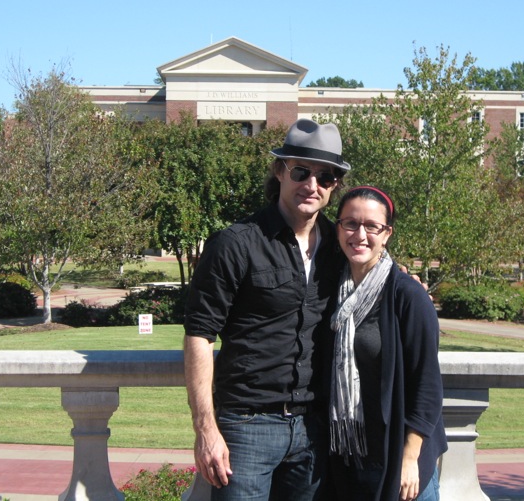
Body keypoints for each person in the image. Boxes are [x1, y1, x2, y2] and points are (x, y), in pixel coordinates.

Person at [183, 118, 351, 501]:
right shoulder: (236, 244)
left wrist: (409, 287)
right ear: (280, 172)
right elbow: (199, 335)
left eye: (325, 177)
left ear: (334, 186)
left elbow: (379, 278)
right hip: (246, 426)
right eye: (301, 171)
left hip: (314, 429)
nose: (312, 185)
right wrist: (206, 430)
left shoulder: (340, 250)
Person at [328, 186, 447, 501]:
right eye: (350, 224)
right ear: (338, 228)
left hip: (400, 461)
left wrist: (410, 459)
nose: (360, 234)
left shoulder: (408, 296)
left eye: (372, 226)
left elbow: (427, 386)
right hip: (349, 460)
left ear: (387, 234)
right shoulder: (330, 293)